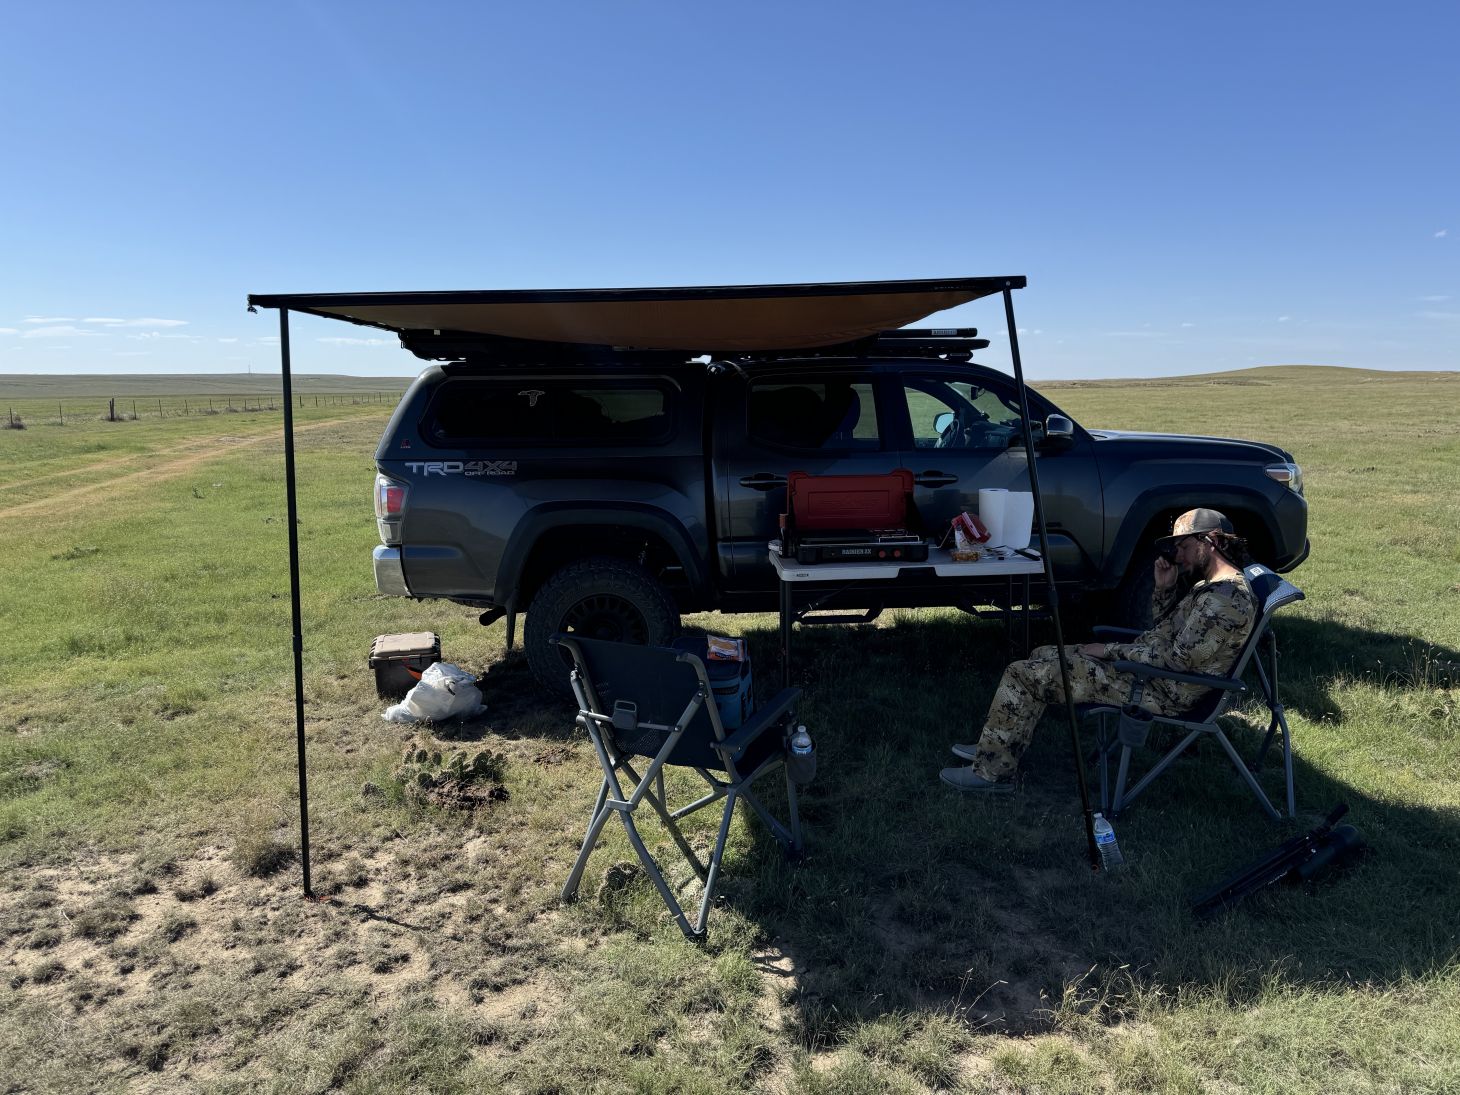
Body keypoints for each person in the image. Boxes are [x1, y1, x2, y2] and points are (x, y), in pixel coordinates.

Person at [940, 508, 1259, 792]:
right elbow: (1168, 636)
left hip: (1159, 690)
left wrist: (1110, 651)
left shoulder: (1226, 599)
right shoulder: (1211, 589)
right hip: (1151, 674)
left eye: (1184, 545)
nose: (1177, 554)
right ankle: (996, 744)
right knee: (1042, 654)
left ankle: (991, 772)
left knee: (1023, 675)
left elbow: (1177, 660)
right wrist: (1164, 591)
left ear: (1211, 540)